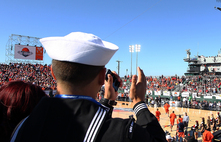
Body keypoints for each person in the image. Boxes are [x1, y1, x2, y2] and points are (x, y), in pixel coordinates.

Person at [10, 32, 166, 142]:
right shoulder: (122, 132)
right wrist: (139, 103)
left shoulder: (22, 126)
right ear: (101, 76)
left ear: (52, 72)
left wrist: (107, 102)